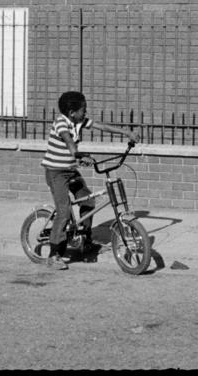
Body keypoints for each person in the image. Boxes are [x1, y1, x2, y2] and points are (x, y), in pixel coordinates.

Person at [39, 90, 137, 269]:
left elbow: (102, 127)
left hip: (70, 170)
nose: (86, 112)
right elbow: (68, 141)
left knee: (89, 200)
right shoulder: (61, 123)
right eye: (83, 109)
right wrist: (77, 155)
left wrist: (125, 132)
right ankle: (54, 255)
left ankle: (85, 240)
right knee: (64, 211)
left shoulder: (79, 121)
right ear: (72, 113)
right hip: (55, 172)